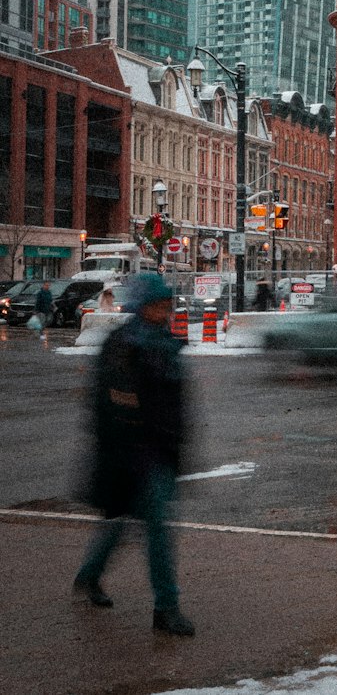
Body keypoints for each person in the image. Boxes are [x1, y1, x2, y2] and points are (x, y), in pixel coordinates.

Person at [73, 272, 195, 636]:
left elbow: (174, 403)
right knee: (157, 529)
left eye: (167, 305)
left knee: (121, 524)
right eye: (158, 305)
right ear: (143, 307)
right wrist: (126, 450)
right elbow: (112, 405)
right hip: (133, 455)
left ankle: (89, 574)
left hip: (159, 451)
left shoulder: (163, 342)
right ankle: (166, 608)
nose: (165, 311)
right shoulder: (124, 345)